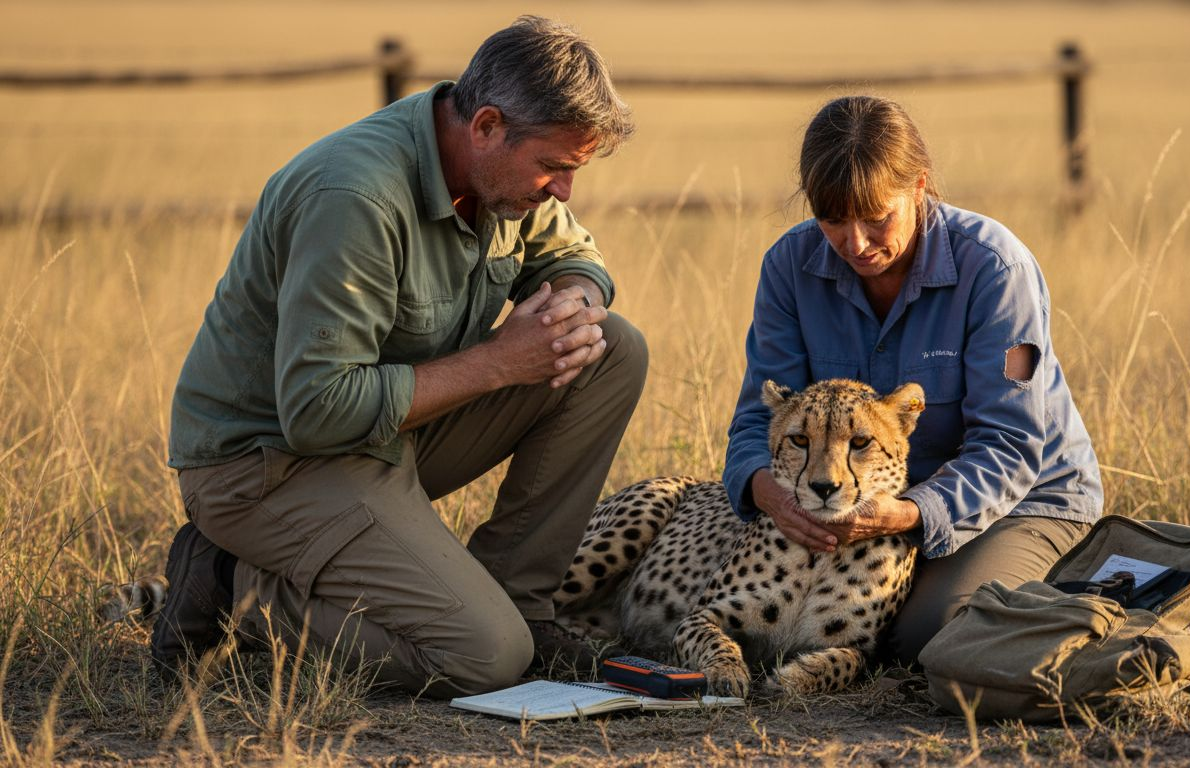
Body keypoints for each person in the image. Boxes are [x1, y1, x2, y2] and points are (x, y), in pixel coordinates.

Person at [154, 16, 646, 698]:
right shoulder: (353, 196)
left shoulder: (501, 172)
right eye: (555, 167)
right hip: (269, 466)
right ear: (487, 126)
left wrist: (574, 301)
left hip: (388, 434)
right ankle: (226, 584)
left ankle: (521, 606)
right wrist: (500, 362)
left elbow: (573, 255)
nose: (563, 191)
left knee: (611, 346)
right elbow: (317, 413)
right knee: (485, 659)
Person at [723, 95, 1103, 665]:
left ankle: (1109, 615)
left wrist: (907, 516)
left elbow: (1010, 446)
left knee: (929, 634)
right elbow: (760, 418)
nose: (856, 243)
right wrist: (770, 496)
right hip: (859, 502)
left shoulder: (996, 269)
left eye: (877, 218)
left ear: (919, 186)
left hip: (1023, 500)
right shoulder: (788, 267)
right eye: (833, 220)